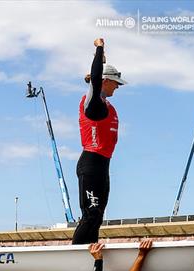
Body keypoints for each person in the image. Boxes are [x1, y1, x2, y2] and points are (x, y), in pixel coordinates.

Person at [72, 37, 126, 245]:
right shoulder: (93, 104)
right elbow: (95, 78)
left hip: (103, 167)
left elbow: (98, 77)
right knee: (90, 215)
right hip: (91, 164)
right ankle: (74, 259)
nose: (118, 87)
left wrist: (103, 59)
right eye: (116, 82)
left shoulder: (108, 106)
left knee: (98, 217)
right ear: (105, 81)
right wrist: (99, 49)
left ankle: (91, 255)